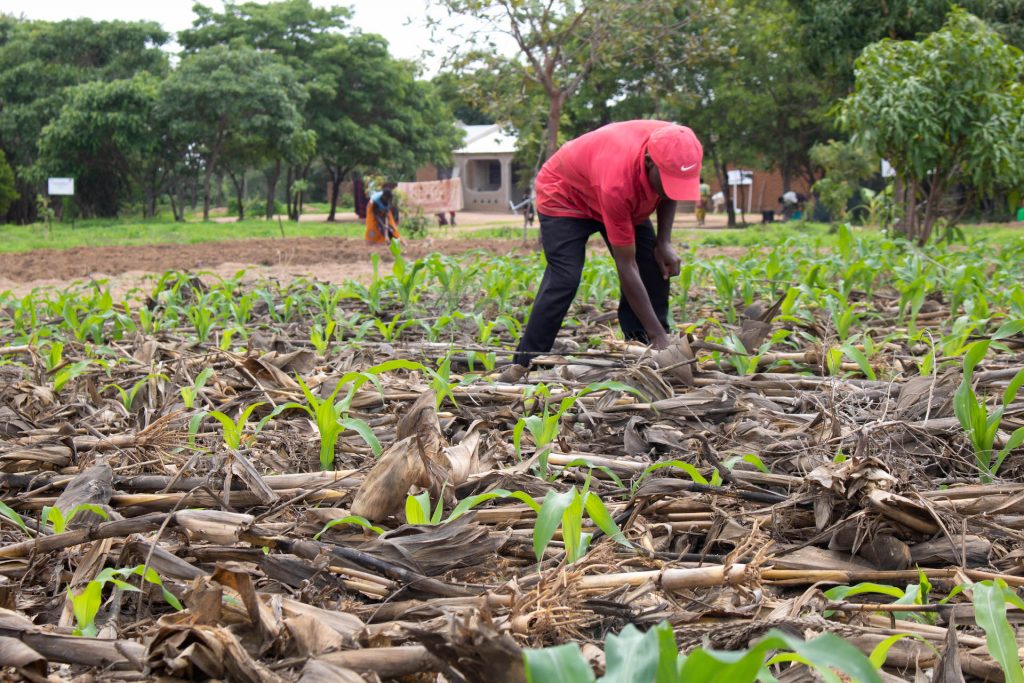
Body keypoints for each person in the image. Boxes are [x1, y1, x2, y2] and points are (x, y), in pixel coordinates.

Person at [502, 120, 703, 378]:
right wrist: (659, 336)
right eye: (666, 181)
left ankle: (642, 348)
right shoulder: (618, 182)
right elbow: (626, 265)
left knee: (653, 264)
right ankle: (526, 361)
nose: (670, 188)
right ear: (650, 162)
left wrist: (664, 242)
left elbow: (669, 191)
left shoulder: (679, 145)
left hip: (610, 186)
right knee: (565, 277)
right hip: (565, 194)